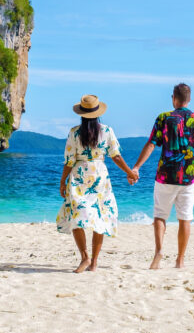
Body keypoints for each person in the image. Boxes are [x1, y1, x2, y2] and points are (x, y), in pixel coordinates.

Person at [131, 83, 194, 269]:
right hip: (188, 178)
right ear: (189, 99)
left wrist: (136, 167)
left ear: (173, 98)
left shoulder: (164, 118)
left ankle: (159, 252)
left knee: (160, 216)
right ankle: (180, 260)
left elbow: (152, 144)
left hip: (165, 176)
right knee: (185, 218)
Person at [57, 94, 140, 273]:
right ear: (97, 113)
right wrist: (130, 172)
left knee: (76, 216)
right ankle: (93, 262)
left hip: (79, 175)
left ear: (81, 114)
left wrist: (63, 181)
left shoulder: (74, 132)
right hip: (99, 175)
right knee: (100, 218)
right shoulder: (107, 131)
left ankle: (85, 257)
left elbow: (69, 161)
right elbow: (116, 156)